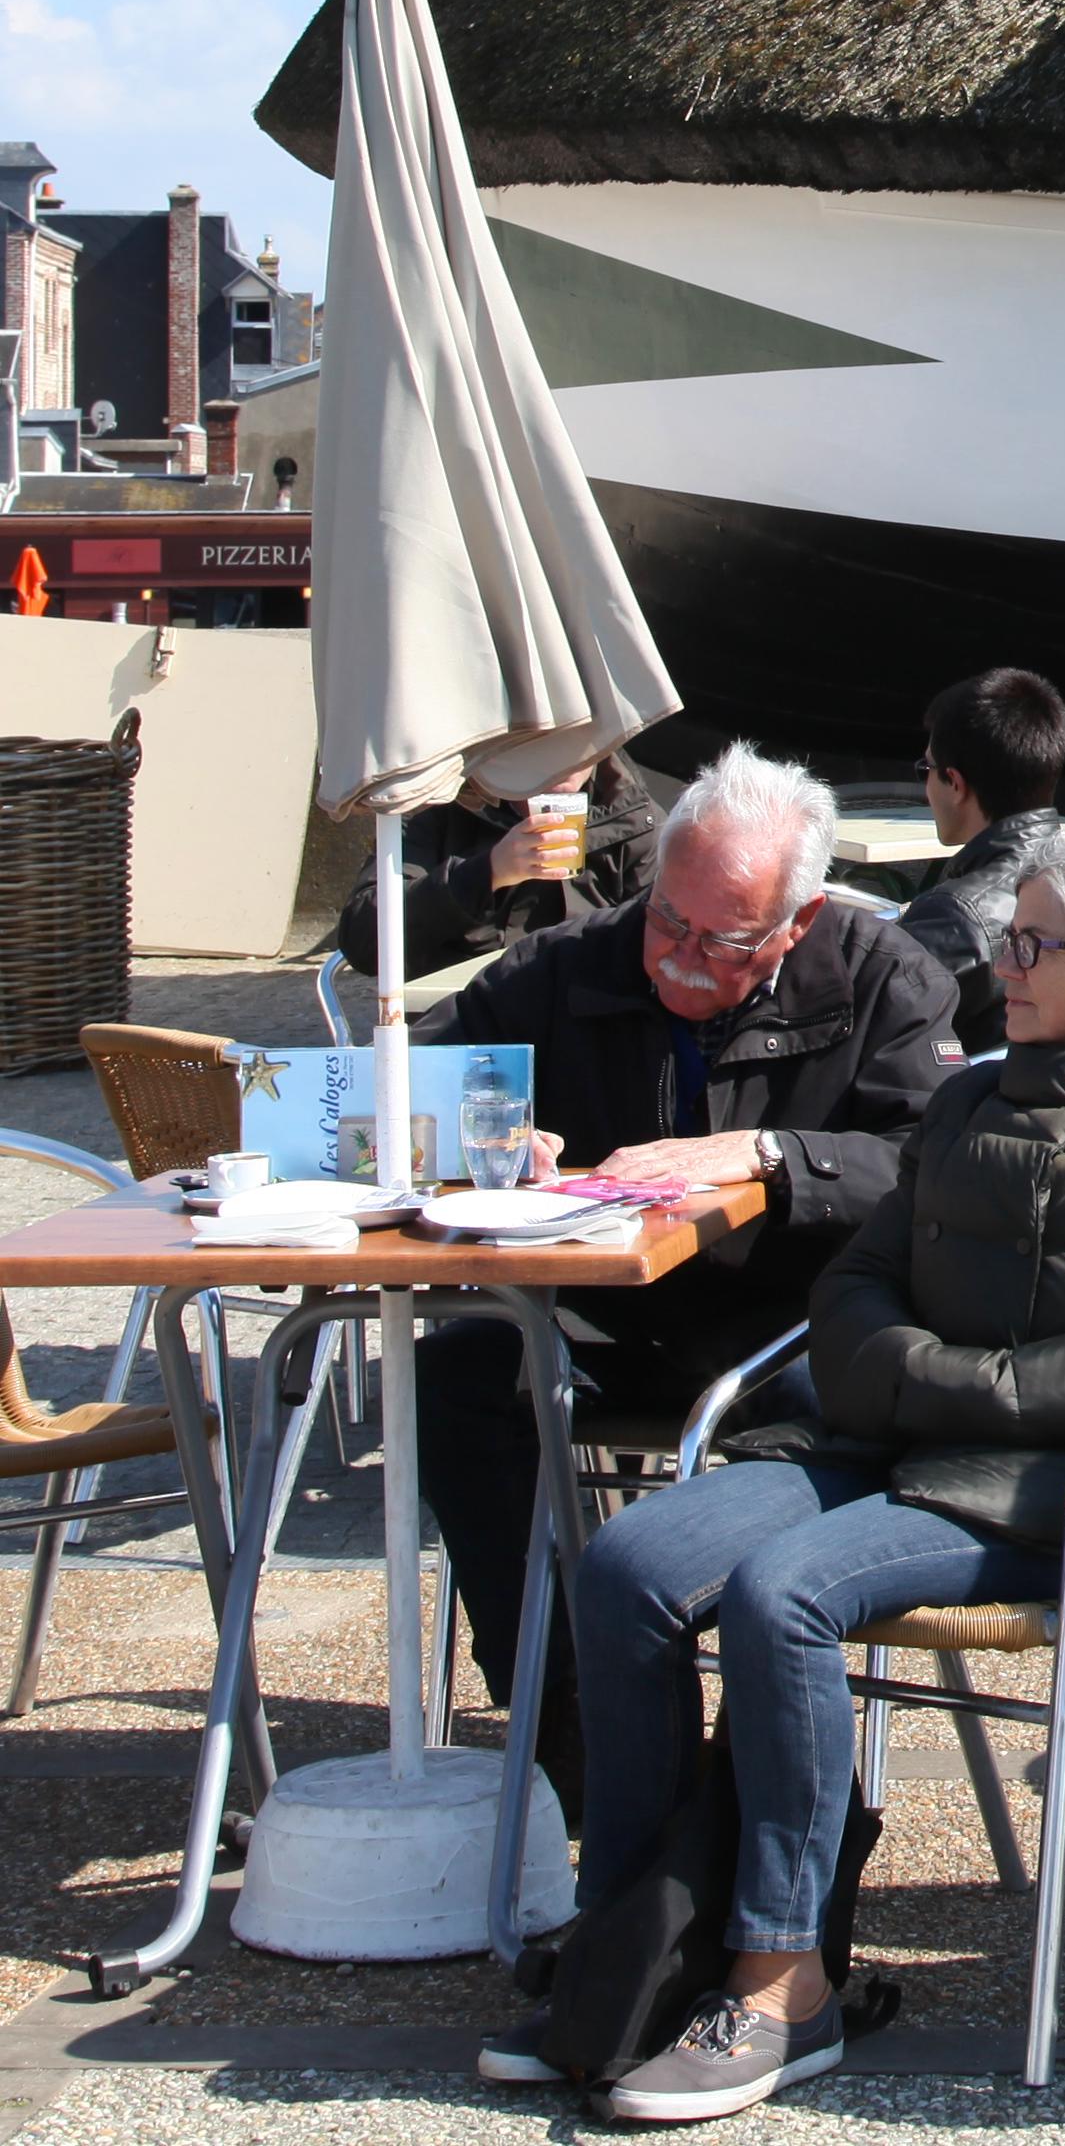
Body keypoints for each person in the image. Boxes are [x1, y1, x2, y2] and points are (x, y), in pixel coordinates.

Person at [482, 815, 1065, 2117]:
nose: (1003, 965)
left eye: (1034, 943)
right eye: (1007, 937)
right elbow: (858, 1284)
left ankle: (780, 1977)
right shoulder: (974, 1097)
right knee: (627, 1559)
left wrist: (933, 1387)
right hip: (903, 1447)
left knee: (782, 1594)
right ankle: (626, 1955)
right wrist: (904, 1381)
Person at [409, 744, 959, 1799]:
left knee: (827, 1424)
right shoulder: (577, 962)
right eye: (670, 919)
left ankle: (750, 1743)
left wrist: (770, 1158)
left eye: (724, 938)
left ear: (799, 922)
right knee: (454, 1383)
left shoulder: (887, 976)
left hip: (795, 1326)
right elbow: (421, 1080)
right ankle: (564, 1711)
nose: (682, 957)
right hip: (609, 1320)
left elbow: (938, 1165)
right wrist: (480, 1137)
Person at [332, 750, 661, 978]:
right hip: (458, 1029)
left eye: (585, 739)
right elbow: (364, 942)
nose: (565, 759)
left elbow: (666, 951)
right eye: (552, 739)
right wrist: (487, 872)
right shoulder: (436, 807)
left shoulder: (635, 818)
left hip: (581, 1036)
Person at [895, 667, 1065, 1054]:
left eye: (926, 769)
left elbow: (868, 1026)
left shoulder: (956, 918)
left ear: (955, 783)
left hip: (967, 1103)